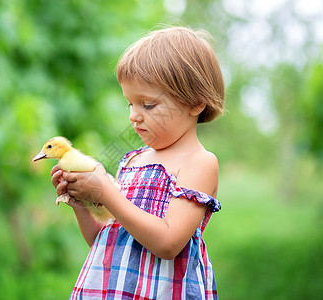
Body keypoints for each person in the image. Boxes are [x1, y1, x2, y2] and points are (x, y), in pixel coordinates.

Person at [51, 26, 225, 300]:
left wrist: (106, 192)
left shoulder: (199, 163)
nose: (134, 116)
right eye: (130, 103)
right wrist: (83, 204)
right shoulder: (133, 160)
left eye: (148, 104)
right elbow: (107, 242)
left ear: (195, 103)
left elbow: (167, 243)